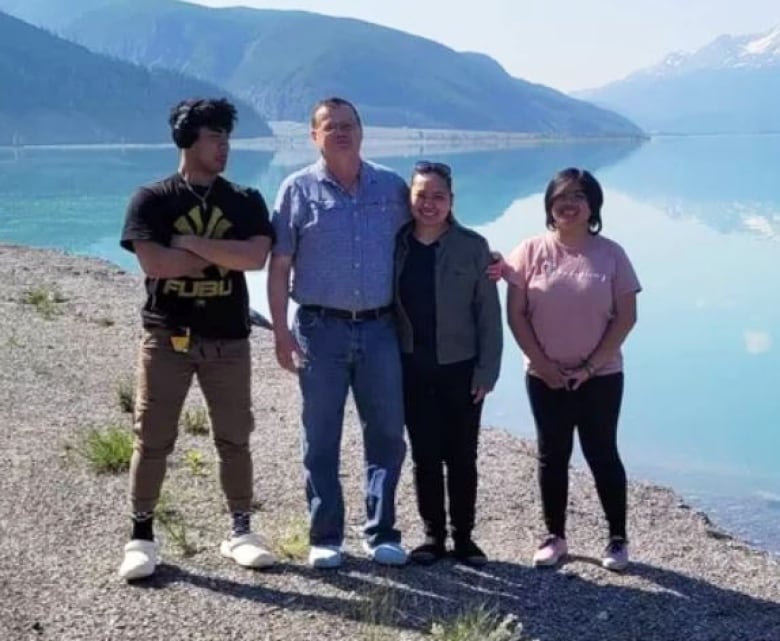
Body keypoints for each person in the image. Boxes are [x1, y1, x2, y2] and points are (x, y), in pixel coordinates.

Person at [117, 97, 276, 580]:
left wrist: (192, 245)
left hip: (229, 338)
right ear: (188, 140)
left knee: (235, 438)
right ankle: (141, 536)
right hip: (167, 336)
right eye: (214, 137)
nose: (224, 147)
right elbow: (156, 265)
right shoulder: (152, 199)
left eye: (227, 137)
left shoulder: (245, 200)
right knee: (153, 437)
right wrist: (224, 254)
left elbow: (256, 258)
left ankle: (241, 531)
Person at [268, 97, 410, 569]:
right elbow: (279, 265)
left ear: (363, 131)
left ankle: (382, 531)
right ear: (314, 136)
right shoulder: (296, 190)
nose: (342, 133)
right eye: (331, 127)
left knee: (388, 432)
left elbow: (430, 236)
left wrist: (482, 263)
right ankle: (326, 535)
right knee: (321, 435)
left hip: (380, 327)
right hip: (318, 328)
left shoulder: (391, 187)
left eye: (349, 125)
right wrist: (280, 335)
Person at [503, 167, 640, 571]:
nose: (569, 204)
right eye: (561, 196)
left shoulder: (612, 254)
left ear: (593, 205)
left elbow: (626, 317)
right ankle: (555, 536)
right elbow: (516, 316)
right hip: (544, 376)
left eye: (579, 196)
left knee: (602, 453)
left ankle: (617, 540)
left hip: (601, 376)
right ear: (549, 204)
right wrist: (544, 366)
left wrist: (590, 366)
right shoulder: (529, 251)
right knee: (552, 455)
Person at [394, 161, 502, 567]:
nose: (429, 203)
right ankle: (432, 536)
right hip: (411, 367)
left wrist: (487, 372)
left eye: (438, 196)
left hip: (461, 368)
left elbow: (488, 316)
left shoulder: (473, 247)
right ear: (410, 198)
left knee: (462, 456)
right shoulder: (397, 245)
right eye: (421, 195)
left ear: (451, 201)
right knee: (425, 455)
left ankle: (464, 538)